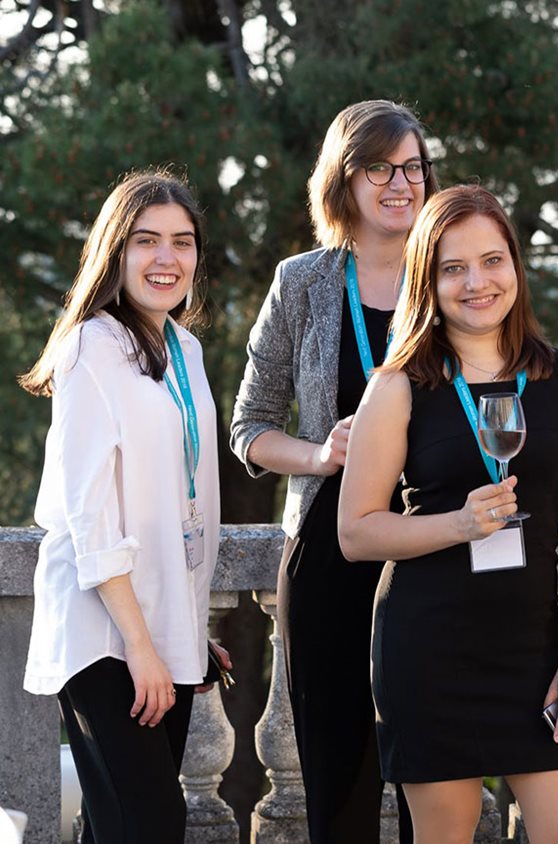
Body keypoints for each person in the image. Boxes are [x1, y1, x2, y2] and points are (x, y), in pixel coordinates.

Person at [339, 185, 558, 843]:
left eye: (492, 261)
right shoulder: (397, 385)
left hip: (539, 651)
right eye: (453, 268)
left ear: (516, 264)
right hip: (429, 652)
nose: (476, 283)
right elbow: (355, 531)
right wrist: (458, 525)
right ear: (427, 281)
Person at [231, 99, 436, 842]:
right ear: (342, 179)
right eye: (379, 167)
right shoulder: (302, 282)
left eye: (413, 167)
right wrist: (322, 455)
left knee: (430, 774)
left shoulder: (450, 272)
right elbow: (249, 426)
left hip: (431, 544)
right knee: (337, 778)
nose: (400, 184)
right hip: (326, 547)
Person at [20, 171, 228, 842]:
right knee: (151, 824)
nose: (167, 258)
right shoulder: (91, 346)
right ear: (115, 251)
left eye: (182, 242)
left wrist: (185, 629)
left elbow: (176, 501)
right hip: (105, 631)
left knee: (121, 826)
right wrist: (142, 645)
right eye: (146, 240)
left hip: (157, 627)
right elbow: (90, 515)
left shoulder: (185, 348)